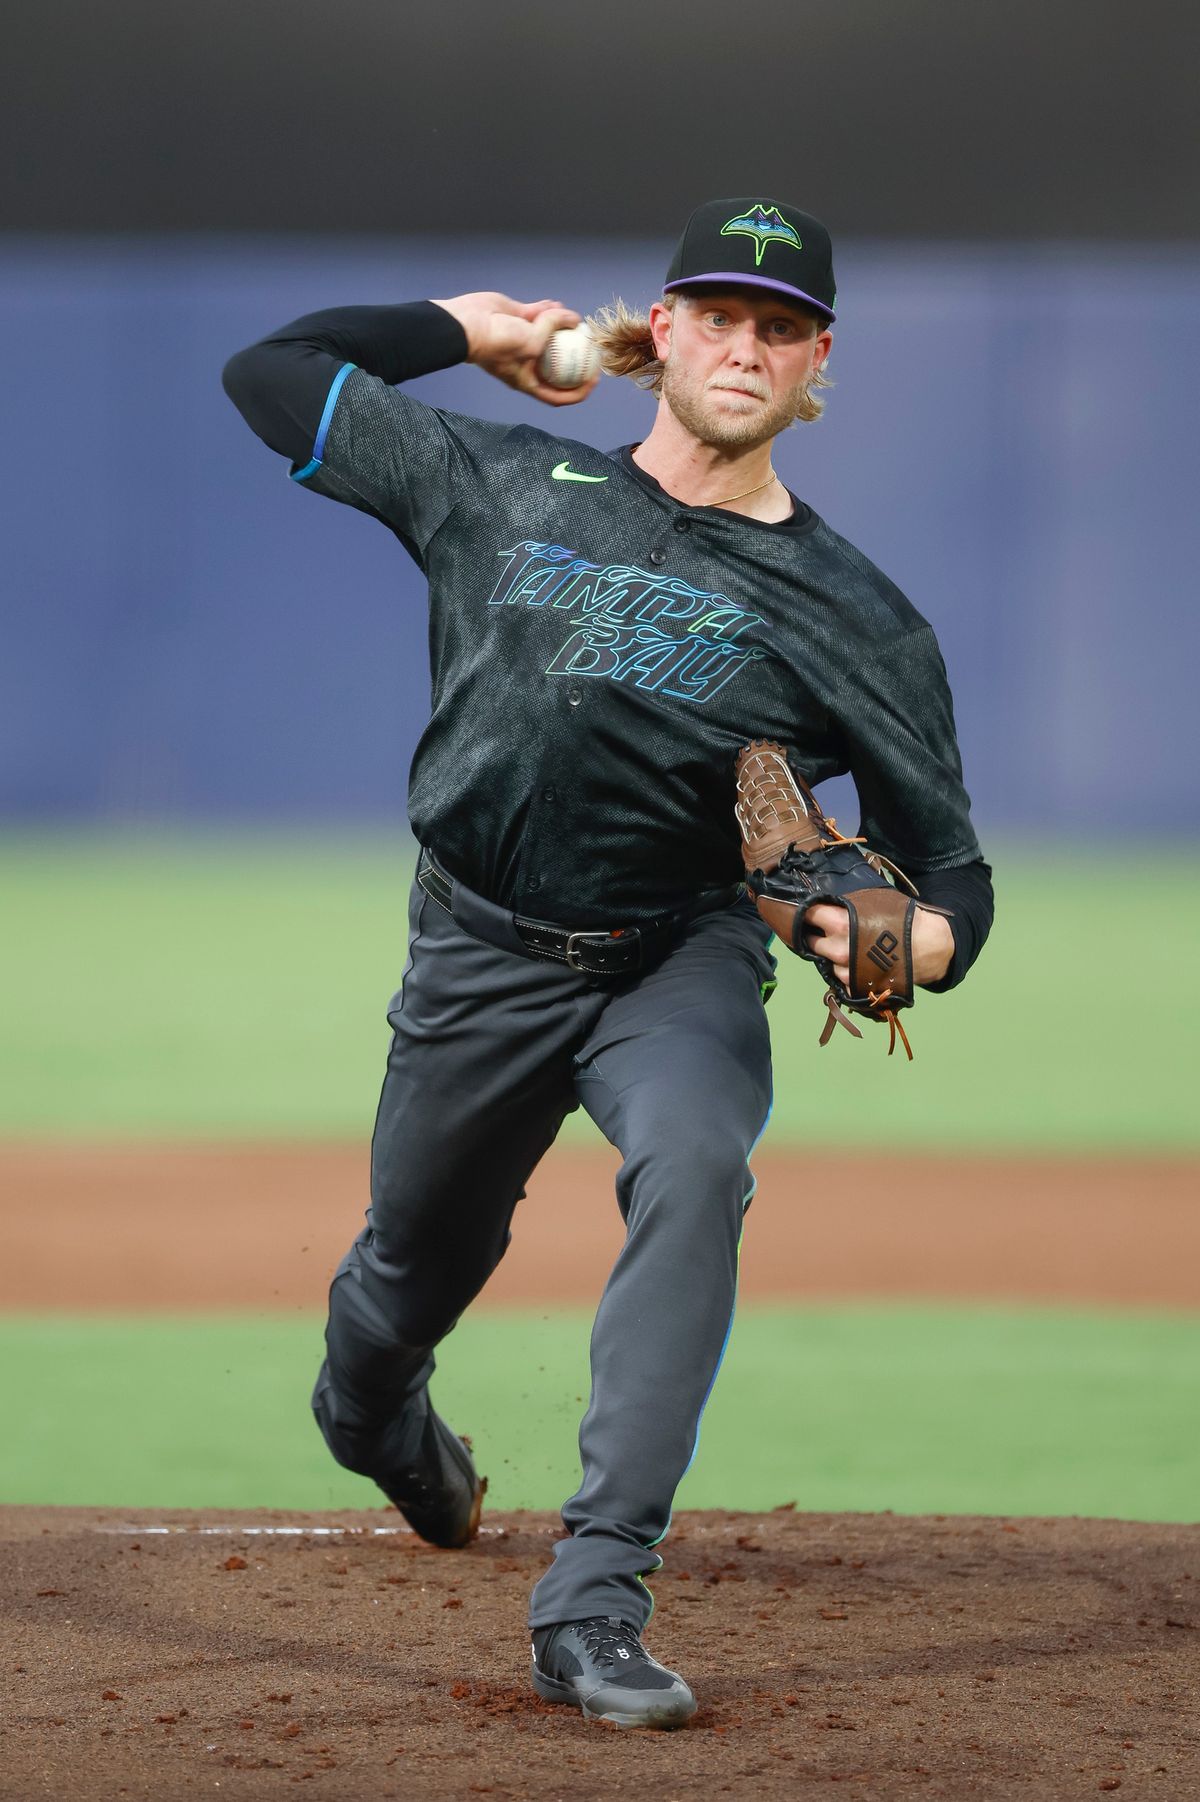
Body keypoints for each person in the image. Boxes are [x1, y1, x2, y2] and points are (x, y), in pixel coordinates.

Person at [222, 196, 993, 1729]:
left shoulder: (862, 620)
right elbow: (270, 370)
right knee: (406, 1273)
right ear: (668, 326)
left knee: (699, 1162)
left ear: (815, 358)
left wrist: (922, 942)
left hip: (679, 957)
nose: (746, 344)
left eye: (781, 326)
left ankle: (595, 1598)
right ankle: (374, 1407)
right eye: (720, 313)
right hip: (480, 954)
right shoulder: (496, 480)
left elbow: (948, 866)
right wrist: (470, 328)